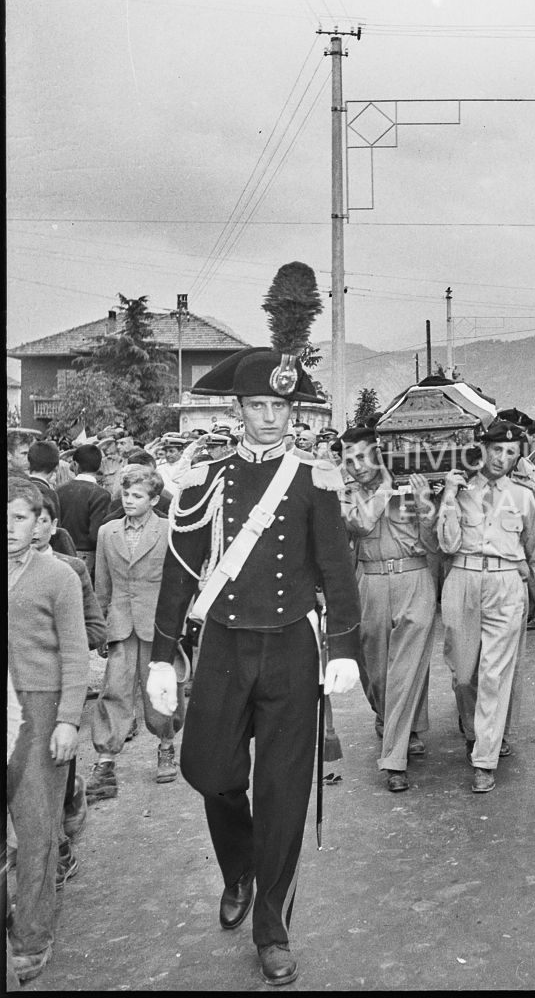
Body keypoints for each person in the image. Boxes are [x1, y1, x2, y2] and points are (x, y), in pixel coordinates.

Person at [146, 347, 362, 987]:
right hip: (223, 645)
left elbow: (336, 569)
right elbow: (180, 571)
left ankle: (272, 928)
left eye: (280, 406)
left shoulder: (315, 479)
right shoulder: (206, 477)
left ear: (293, 412)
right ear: (238, 409)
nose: (269, 417)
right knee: (207, 770)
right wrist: (162, 657)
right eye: (258, 405)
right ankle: (238, 864)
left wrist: (344, 647)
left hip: (292, 646)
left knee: (282, 793)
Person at [437, 419, 535, 794]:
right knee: (463, 675)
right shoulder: (459, 489)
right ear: (483, 449)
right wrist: (448, 497)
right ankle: (476, 732)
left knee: (494, 675)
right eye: (496, 450)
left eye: (511, 453)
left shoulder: (522, 496)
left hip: (506, 584)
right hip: (463, 580)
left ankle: (484, 759)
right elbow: (447, 544)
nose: (502, 458)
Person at [7, 478, 90, 984]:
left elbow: (77, 652)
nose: (8, 527)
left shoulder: (58, 576)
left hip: (40, 711)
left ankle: (32, 936)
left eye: (18, 517)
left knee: (37, 828)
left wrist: (68, 720)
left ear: (39, 521)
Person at [340, 425, 436, 793]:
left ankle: (394, 758)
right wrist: (386, 488)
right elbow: (361, 523)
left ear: (379, 454)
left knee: (406, 668)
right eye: (350, 460)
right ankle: (398, 721)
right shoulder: (344, 493)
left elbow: (436, 543)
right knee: (375, 669)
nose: (357, 466)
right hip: (370, 581)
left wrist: (425, 506)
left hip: (414, 578)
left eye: (363, 457)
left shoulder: (414, 486)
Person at [88, 466, 182, 800]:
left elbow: (178, 582)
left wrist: (178, 626)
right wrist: (100, 625)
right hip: (120, 624)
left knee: (159, 690)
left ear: (154, 500)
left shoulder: (168, 530)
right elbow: (102, 583)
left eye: (137, 496)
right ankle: (105, 761)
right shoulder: (107, 532)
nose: (129, 501)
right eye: (126, 494)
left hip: (157, 625)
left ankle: (166, 745)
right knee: (114, 689)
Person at [30, 492, 107, 884]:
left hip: (59, 688)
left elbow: (95, 628)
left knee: (55, 768)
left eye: (41, 520)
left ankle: (59, 843)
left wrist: (57, 644)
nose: (32, 529)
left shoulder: (71, 569)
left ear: (54, 525)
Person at [55, 443, 111, 579]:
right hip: (86, 554)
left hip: (60, 551)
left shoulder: (60, 490)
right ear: (99, 465)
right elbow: (95, 534)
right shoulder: (101, 494)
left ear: (75, 464)